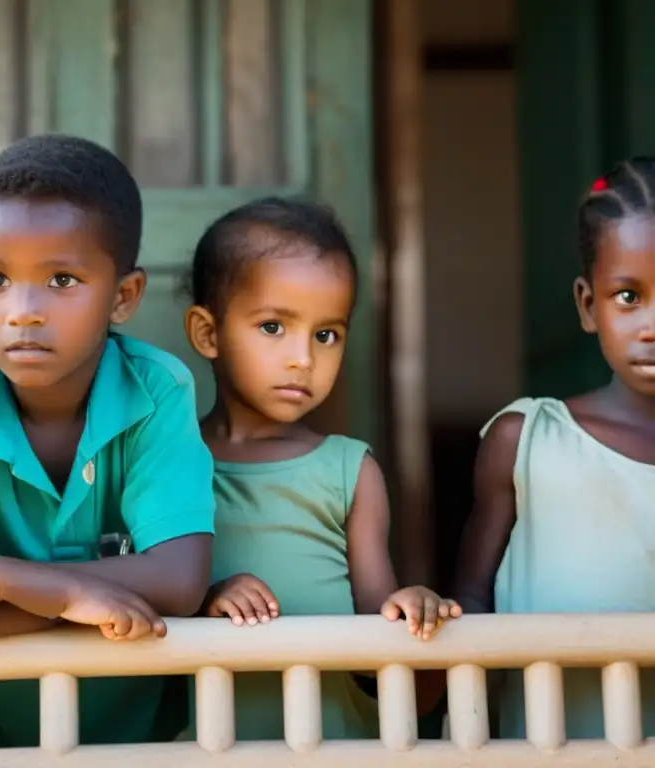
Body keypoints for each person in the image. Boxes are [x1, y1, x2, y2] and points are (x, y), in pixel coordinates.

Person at [0, 133, 215, 749]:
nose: (24, 310)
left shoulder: (158, 389)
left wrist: (5, 581)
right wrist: (76, 594)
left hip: (144, 739)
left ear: (123, 296)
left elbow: (179, 579)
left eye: (62, 280)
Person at [182, 197, 460, 741]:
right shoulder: (163, 462)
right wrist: (205, 600)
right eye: (272, 328)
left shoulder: (348, 471)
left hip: (333, 746)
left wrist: (410, 618)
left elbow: (385, 655)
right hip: (203, 747)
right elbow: (136, 609)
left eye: (326, 334)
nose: (303, 358)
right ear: (208, 333)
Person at [453, 157, 655, 738]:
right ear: (588, 305)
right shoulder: (526, 442)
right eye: (627, 297)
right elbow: (471, 604)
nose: (650, 323)